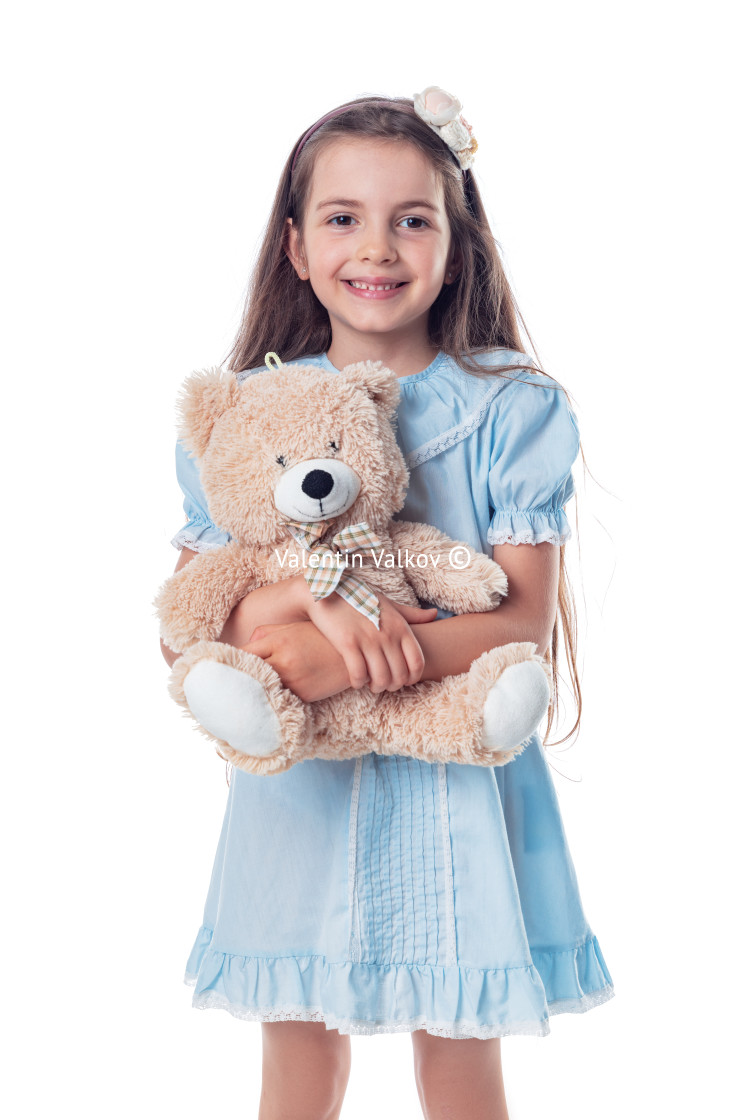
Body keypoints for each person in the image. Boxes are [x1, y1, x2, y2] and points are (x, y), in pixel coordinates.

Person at [161, 88, 614, 1120]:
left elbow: (519, 627)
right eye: (342, 217)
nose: (378, 246)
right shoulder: (244, 417)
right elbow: (191, 618)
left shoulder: (511, 409)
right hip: (300, 786)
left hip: (459, 788)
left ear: (457, 245)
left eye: (413, 218)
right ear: (295, 245)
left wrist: (357, 647)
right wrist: (314, 607)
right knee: (298, 1061)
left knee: (457, 1060)